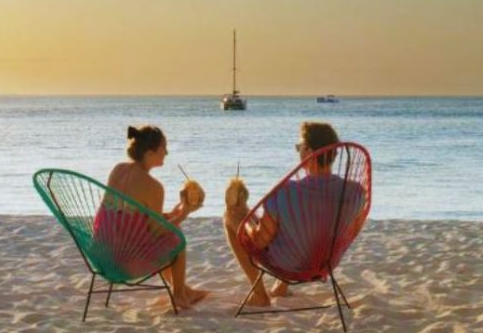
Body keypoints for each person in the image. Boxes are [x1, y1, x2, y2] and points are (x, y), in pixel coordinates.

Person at [223, 122, 365, 307]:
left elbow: (259, 241)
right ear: (333, 154)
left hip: (287, 266)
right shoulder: (356, 192)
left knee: (230, 216)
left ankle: (259, 295)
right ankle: (281, 289)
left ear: (307, 151)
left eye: (299, 147)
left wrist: (247, 219)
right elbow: (351, 232)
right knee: (298, 226)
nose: (298, 151)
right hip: (326, 262)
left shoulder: (285, 192)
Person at [97, 125, 209, 310]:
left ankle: (182, 289)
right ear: (150, 153)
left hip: (102, 252)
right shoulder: (153, 186)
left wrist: (172, 214)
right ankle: (179, 294)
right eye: (163, 148)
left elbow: (130, 217)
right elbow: (156, 230)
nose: (166, 152)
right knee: (175, 234)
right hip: (125, 260)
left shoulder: (118, 169)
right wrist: (184, 213)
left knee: (168, 229)